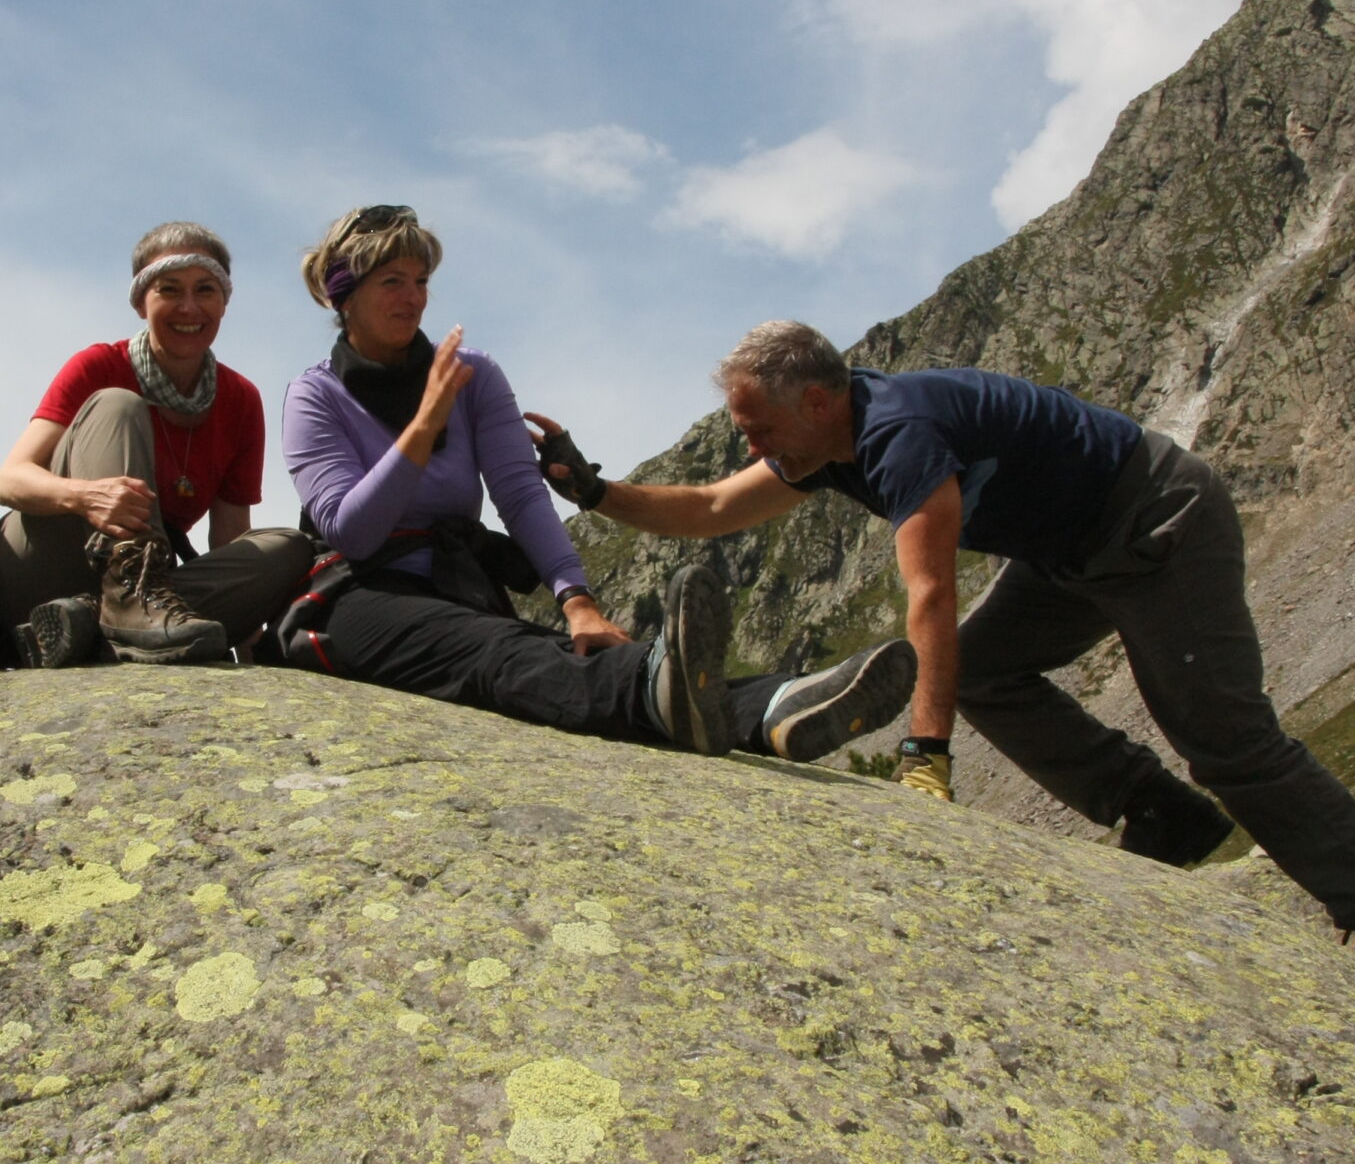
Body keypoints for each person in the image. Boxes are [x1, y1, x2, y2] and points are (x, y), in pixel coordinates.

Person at [528, 319, 1355, 1003]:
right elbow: (708, 507)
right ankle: (1158, 810)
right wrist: (595, 488)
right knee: (985, 669)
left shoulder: (898, 433)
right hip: (1073, 553)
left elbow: (930, 597)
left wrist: (925, 758)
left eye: (760, 428)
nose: (752, 446)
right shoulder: (825, 440)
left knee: (1228, 741)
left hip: (1158, 523)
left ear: (816, 401)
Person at [282, 206, 913, 759]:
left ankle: (771, 706)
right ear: (344, 294)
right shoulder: (314, 396)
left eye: (421, 281)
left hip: (455, 591)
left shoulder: (473, 375)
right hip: (356, 597)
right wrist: (423, 427)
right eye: (392, 282)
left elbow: (520, 495)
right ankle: (683, 689)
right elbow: (352, 532)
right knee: (499, 653)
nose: (414, 298)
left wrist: (577, 603)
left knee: (545, 650)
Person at [0, 222, 312, 669]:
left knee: (290, 547)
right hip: (43, 564)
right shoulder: (99, 365)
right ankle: (121, 610)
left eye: (205, 289)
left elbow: (230, 536)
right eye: (169, 289)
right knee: (117, 405)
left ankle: (88, 627)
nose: (189, 307)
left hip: (150, 593)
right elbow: (10, 481)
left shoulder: (240, 399)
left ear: (224, 301)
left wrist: (248, 629)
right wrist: (84, 497)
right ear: (141, 301)